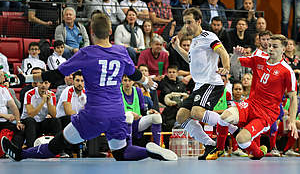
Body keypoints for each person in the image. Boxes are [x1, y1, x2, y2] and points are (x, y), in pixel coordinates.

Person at [1, 13, 177, 162]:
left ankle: (19, 154)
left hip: (94, 114)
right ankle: (150, 152)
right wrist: (147, 82)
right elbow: (135, 74)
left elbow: (55, 75)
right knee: (121, 153)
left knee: (58, 144)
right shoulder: (122, 52)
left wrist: (27, 77)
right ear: (110, 31)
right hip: (117, 113)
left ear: (92, 33)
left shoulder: (87, 53)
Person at [211, 35, 298, 160]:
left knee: (241, 139)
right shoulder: (259, 59)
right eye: (269, 45)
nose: (270, 49)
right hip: (251, 104)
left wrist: (293, 121)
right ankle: (218, 149)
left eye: (275, 46)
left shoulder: (287, 71)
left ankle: (258, 153)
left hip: (266, 113)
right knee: (224, 117)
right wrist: (236, 55)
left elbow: (293, 97)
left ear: (283, 49)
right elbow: (236, 62)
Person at [171, 7, 230, 160]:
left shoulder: (208, 36)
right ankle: (210, 145)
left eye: (189, 22)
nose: (187, 26)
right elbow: (191, 61)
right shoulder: (195, 41)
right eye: (185, 23)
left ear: (198, 21)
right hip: (199, 86)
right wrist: (177, 48)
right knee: (181, 116)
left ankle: (233, 127)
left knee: (197, 112)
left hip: (211, 83)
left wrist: (226, 68)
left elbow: (222, 52)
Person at [121, 75, 162, 146]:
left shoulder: (138, 91)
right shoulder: (118, 92)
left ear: (133, 81)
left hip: (137, 122)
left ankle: (157, 147)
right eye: (125, 80)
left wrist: (149, 112)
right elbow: (114, 111)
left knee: (156, 117)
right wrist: (131, 113)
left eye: (130, 80)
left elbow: (143, 110)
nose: (127, 83)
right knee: (129, 116)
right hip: (122, 123)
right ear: (122, 81)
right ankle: (129, 146)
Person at [0, 70, 25, 156]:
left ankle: (12, 150)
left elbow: (14, 106)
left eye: (3, 75)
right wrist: (4, 115)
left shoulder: (4, 89)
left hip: (4, 122)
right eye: (1, 75)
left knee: (20, 129)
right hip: (4, 118)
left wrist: (18, 122)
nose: (4, 77)